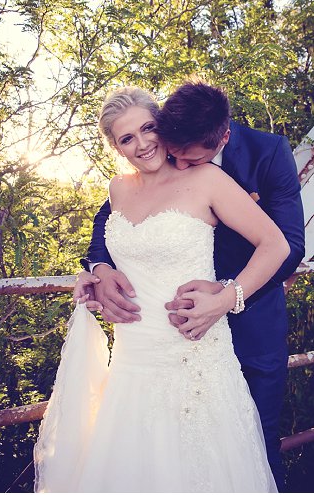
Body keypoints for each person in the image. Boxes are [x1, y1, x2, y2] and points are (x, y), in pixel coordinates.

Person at [36, 86, 289, 492]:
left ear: (163, 126)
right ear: (116, 148)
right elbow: (113, 248)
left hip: (195, 353)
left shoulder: (207, 179)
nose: (142, 144)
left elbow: (276, 245)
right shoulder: (118, 189)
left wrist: (227, 298)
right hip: (132, 359)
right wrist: (96, 272)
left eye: (148, 128)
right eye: (127, 138)